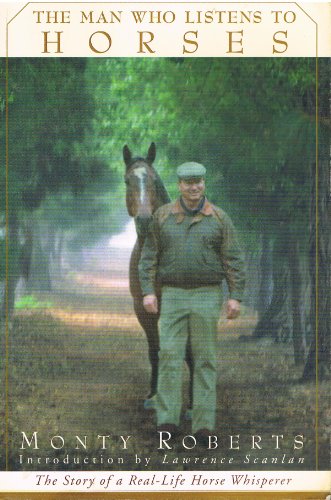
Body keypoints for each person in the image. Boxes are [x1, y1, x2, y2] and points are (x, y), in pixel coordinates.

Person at [138, 162, 245, 444]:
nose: (194, 187)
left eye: (198, 182)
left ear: (204, 184)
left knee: (204, 359)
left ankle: (204, 425)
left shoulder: (220, 218)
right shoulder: (162, 217)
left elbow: (233, 260)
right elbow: (148, 257)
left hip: (207, 296)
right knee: (169, 357)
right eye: (188, 183)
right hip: (172, 295)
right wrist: (148, 291)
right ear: (180, 186)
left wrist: (235, 296)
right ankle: (167, 421)